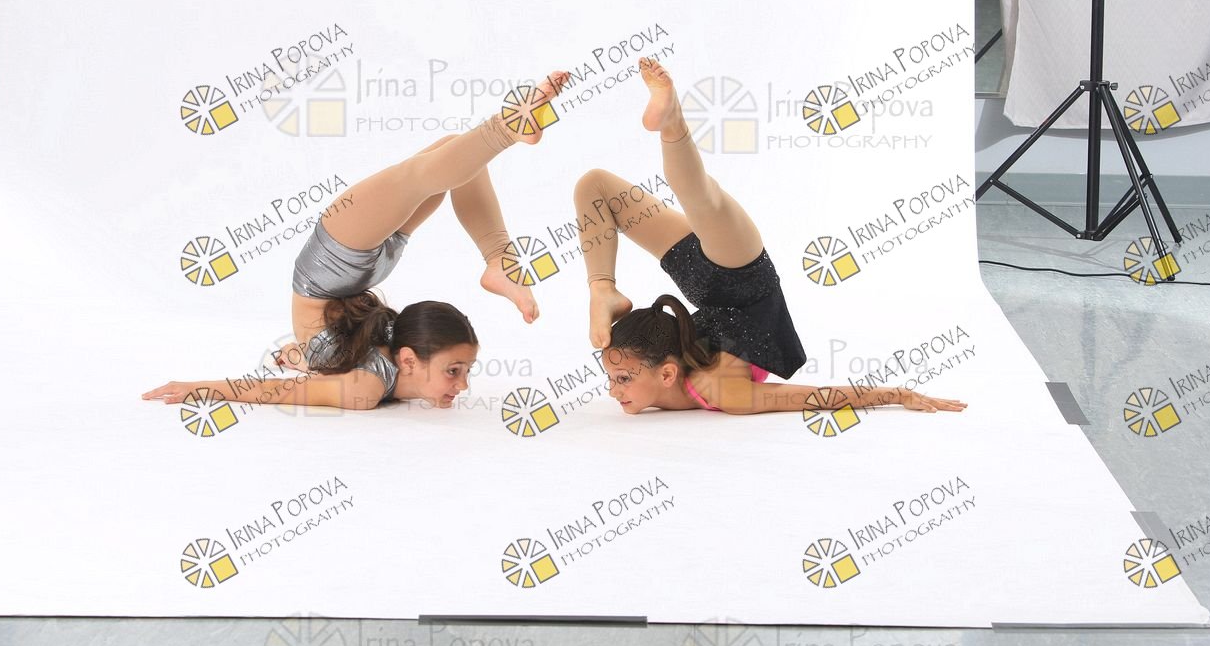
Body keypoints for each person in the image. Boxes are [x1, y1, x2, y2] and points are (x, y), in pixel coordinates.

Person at [141, 72, 569, 411]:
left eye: (461, 371)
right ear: (407, 358)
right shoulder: (370, 378)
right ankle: (500, 237)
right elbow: (297, 379)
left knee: (431, 169)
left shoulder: (366, 387)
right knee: (443, 159)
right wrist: (300, 358)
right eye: (455, 370)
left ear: (407, 360)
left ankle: (508, 143)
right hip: (353, 269)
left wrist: (203, 386)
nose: (463, 385)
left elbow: (281, 390)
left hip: (333, 268)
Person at [577, 57, 966, 416]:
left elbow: (817, 397)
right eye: (613, 378)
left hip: (741, 277)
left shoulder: (722, 391)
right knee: (597, 186)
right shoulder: (687, 379)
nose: (613, 391)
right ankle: (603, 288)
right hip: (710, 282)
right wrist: (896, 393)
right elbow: (816, 395)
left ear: (666, 374)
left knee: (692, 195)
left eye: (622, 378)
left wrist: (897, 394)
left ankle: (671, 119)